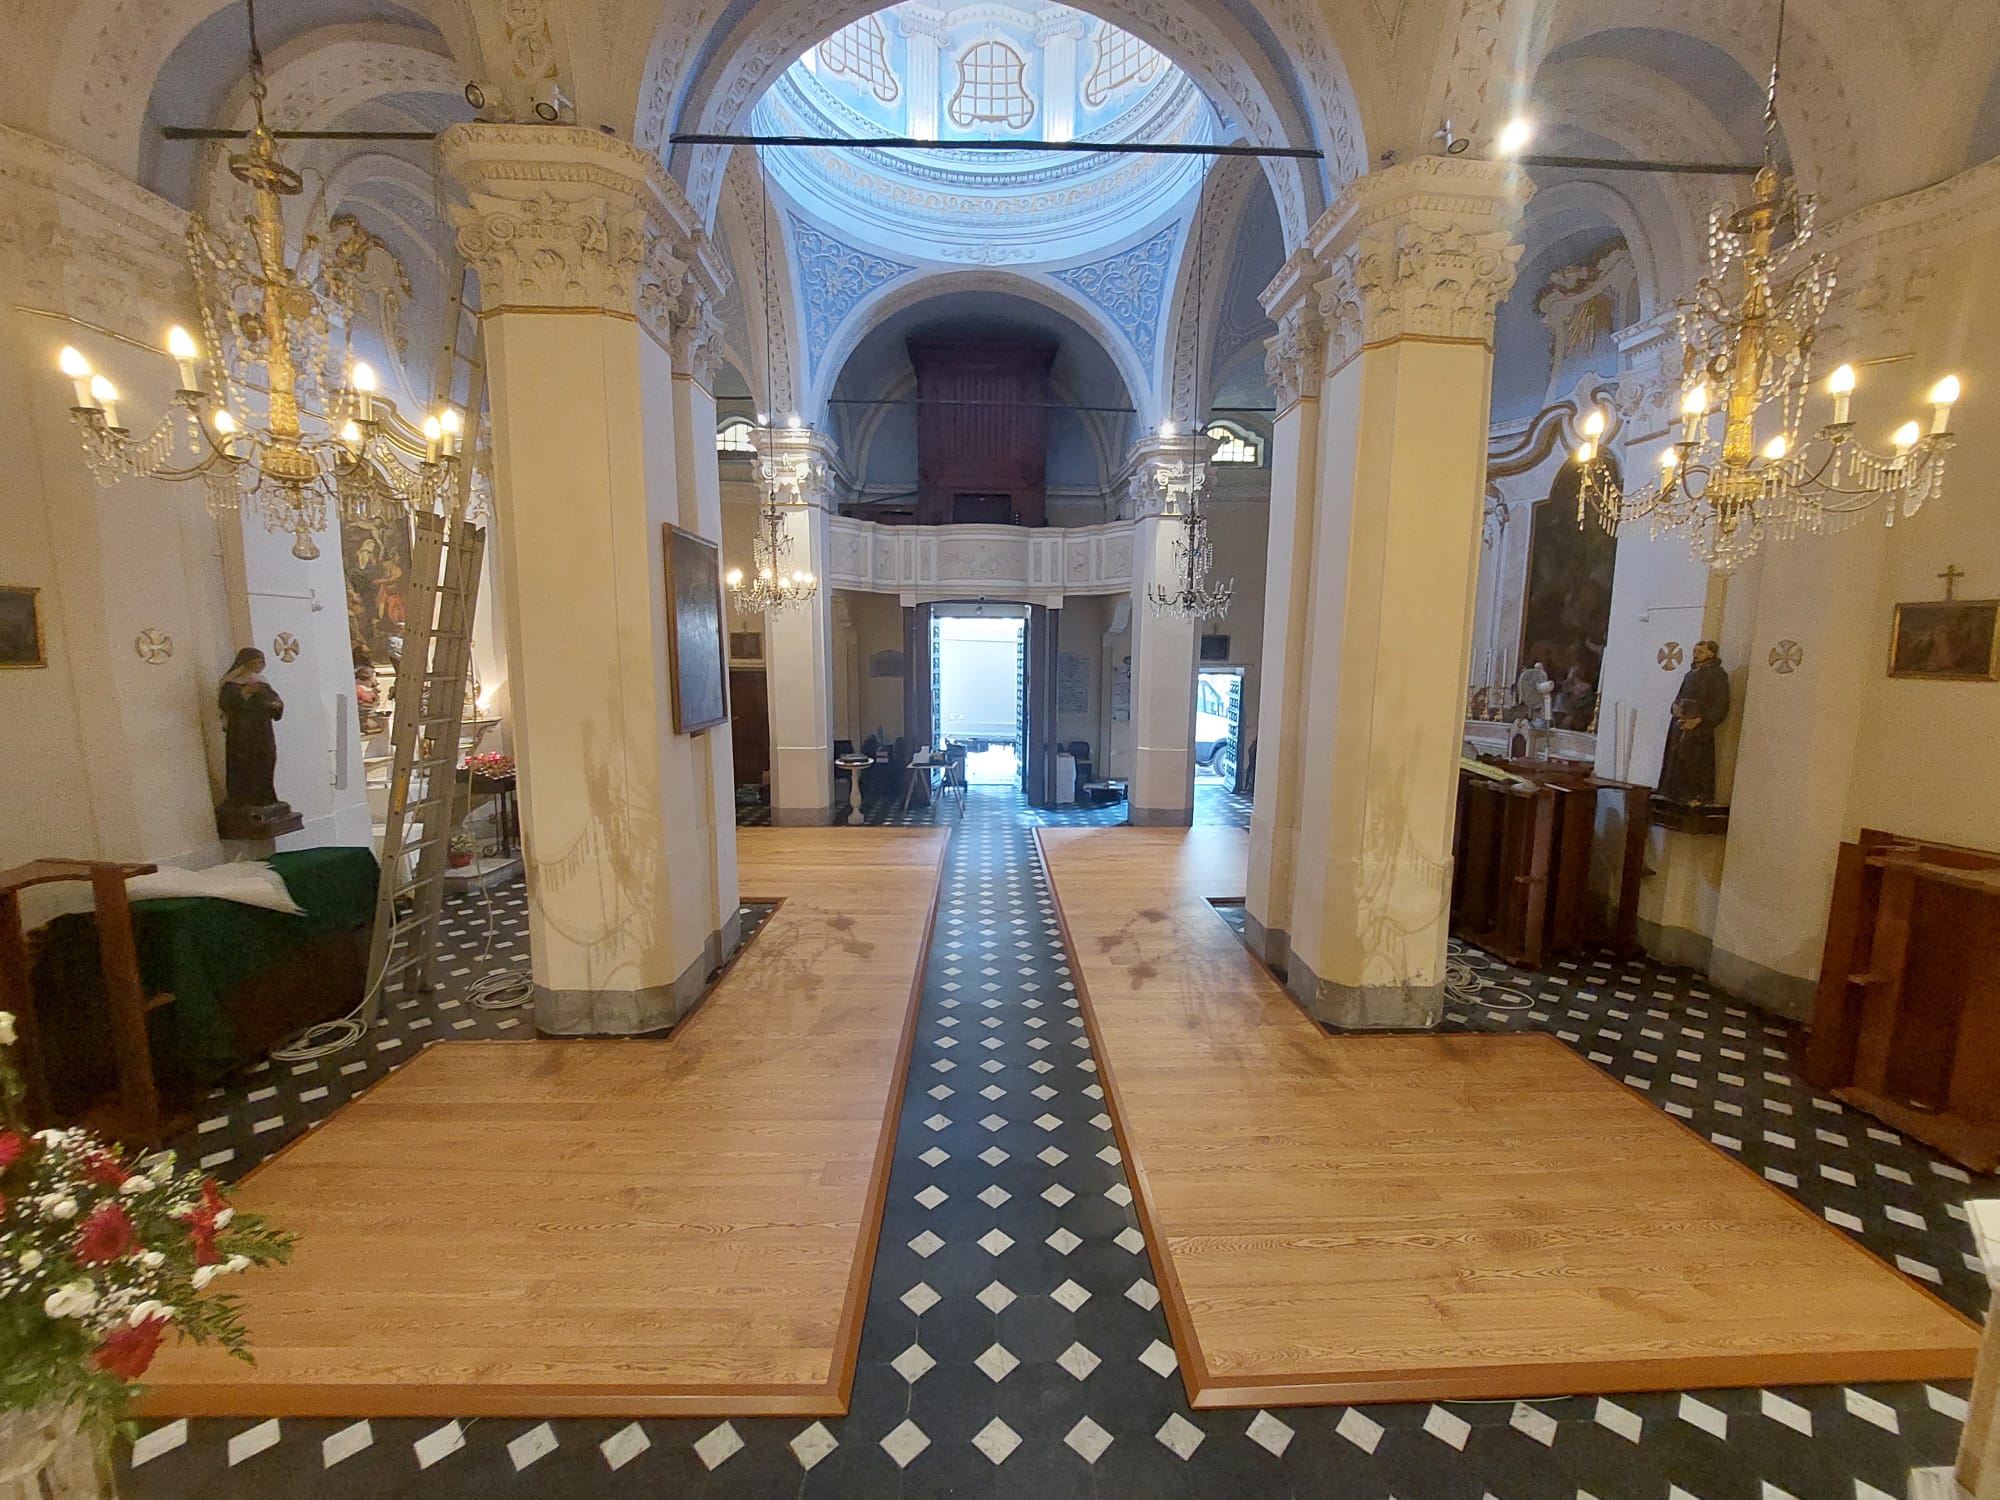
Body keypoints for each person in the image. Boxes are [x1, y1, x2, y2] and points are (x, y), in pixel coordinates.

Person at [216, 648, 296, 832]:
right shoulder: (232, 684)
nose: (260, 665)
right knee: (245, 763)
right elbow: (227, 704)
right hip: (242, 733)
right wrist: (245, 693)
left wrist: (276, 705)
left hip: (262, 730)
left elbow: (274, 701)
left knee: (266, 760)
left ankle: (265, 798)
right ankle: (243, 799)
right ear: (246, 663)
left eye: (262, 662)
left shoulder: (262, 683)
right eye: (256, 662)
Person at [1658, 640, 1730, 806]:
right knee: (1675, 759)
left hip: (1699, 728)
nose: (1696, 654)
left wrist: (1699, 720)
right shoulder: (1690, 674)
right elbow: (1679, 697)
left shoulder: (1718, 675)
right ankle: (1673, 793)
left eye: (1701, 651)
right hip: (1680, 723)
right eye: (1695, 651)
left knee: (1695, 762)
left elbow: (1721, 705)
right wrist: (1675, 708)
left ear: (1711, 654)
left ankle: (1694, 795)